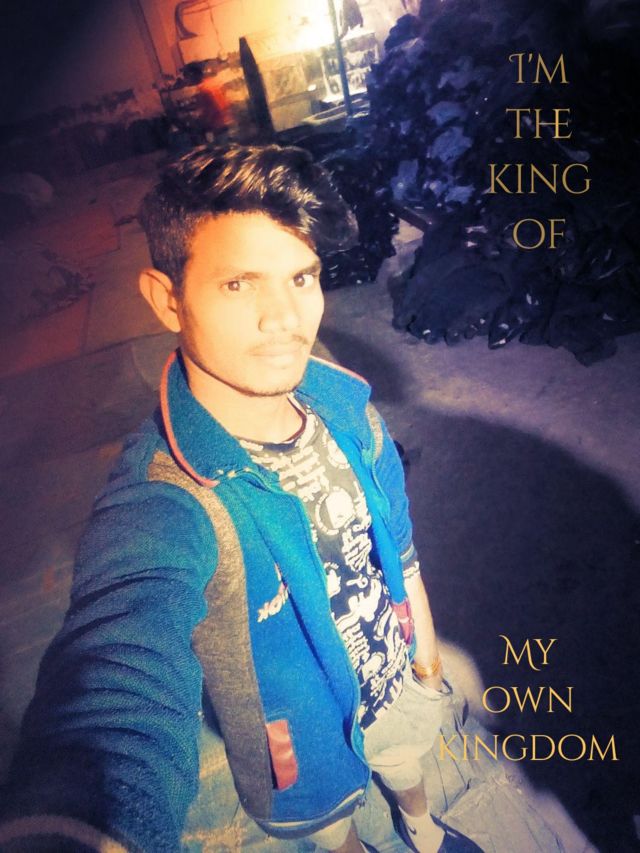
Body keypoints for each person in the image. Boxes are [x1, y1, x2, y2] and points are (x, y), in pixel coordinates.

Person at [0, 145, 481, 853]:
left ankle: (421, 828)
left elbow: (402, 553)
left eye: (301, 277)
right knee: (337, 832)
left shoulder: (349, 411)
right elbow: (116, 678)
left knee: (408, 769)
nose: (283, 317)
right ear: (167, 298)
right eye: (237, 284)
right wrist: (73, 827)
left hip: (394, 685)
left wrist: (427, 667)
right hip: (302, 743)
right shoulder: (167, 498)